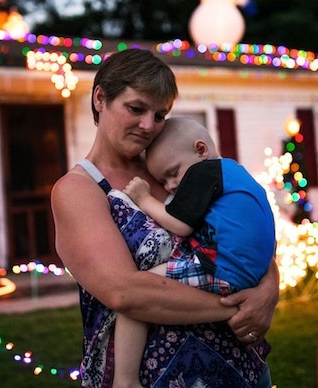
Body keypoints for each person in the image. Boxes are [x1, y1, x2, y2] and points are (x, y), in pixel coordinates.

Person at [51, 48, 279, 388]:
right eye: (136, 108)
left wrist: (268, 289)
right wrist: (236, 307)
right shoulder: (79, 190)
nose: (148, 126)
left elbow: (242, 231)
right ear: (100, 99)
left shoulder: (174, 169)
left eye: (160, 115)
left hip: (242, 370)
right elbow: (124, 293)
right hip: (155, 379)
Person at [113, 116, 276, 387]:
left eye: (173, 172)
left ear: (201, 150)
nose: (171, 186)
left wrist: (144, 199)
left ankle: (124, 380)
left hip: (220, 268)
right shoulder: (235, 174)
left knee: (138, 295)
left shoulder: (206, 171)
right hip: (247, 274)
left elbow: (181, 226)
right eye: (163, 181)